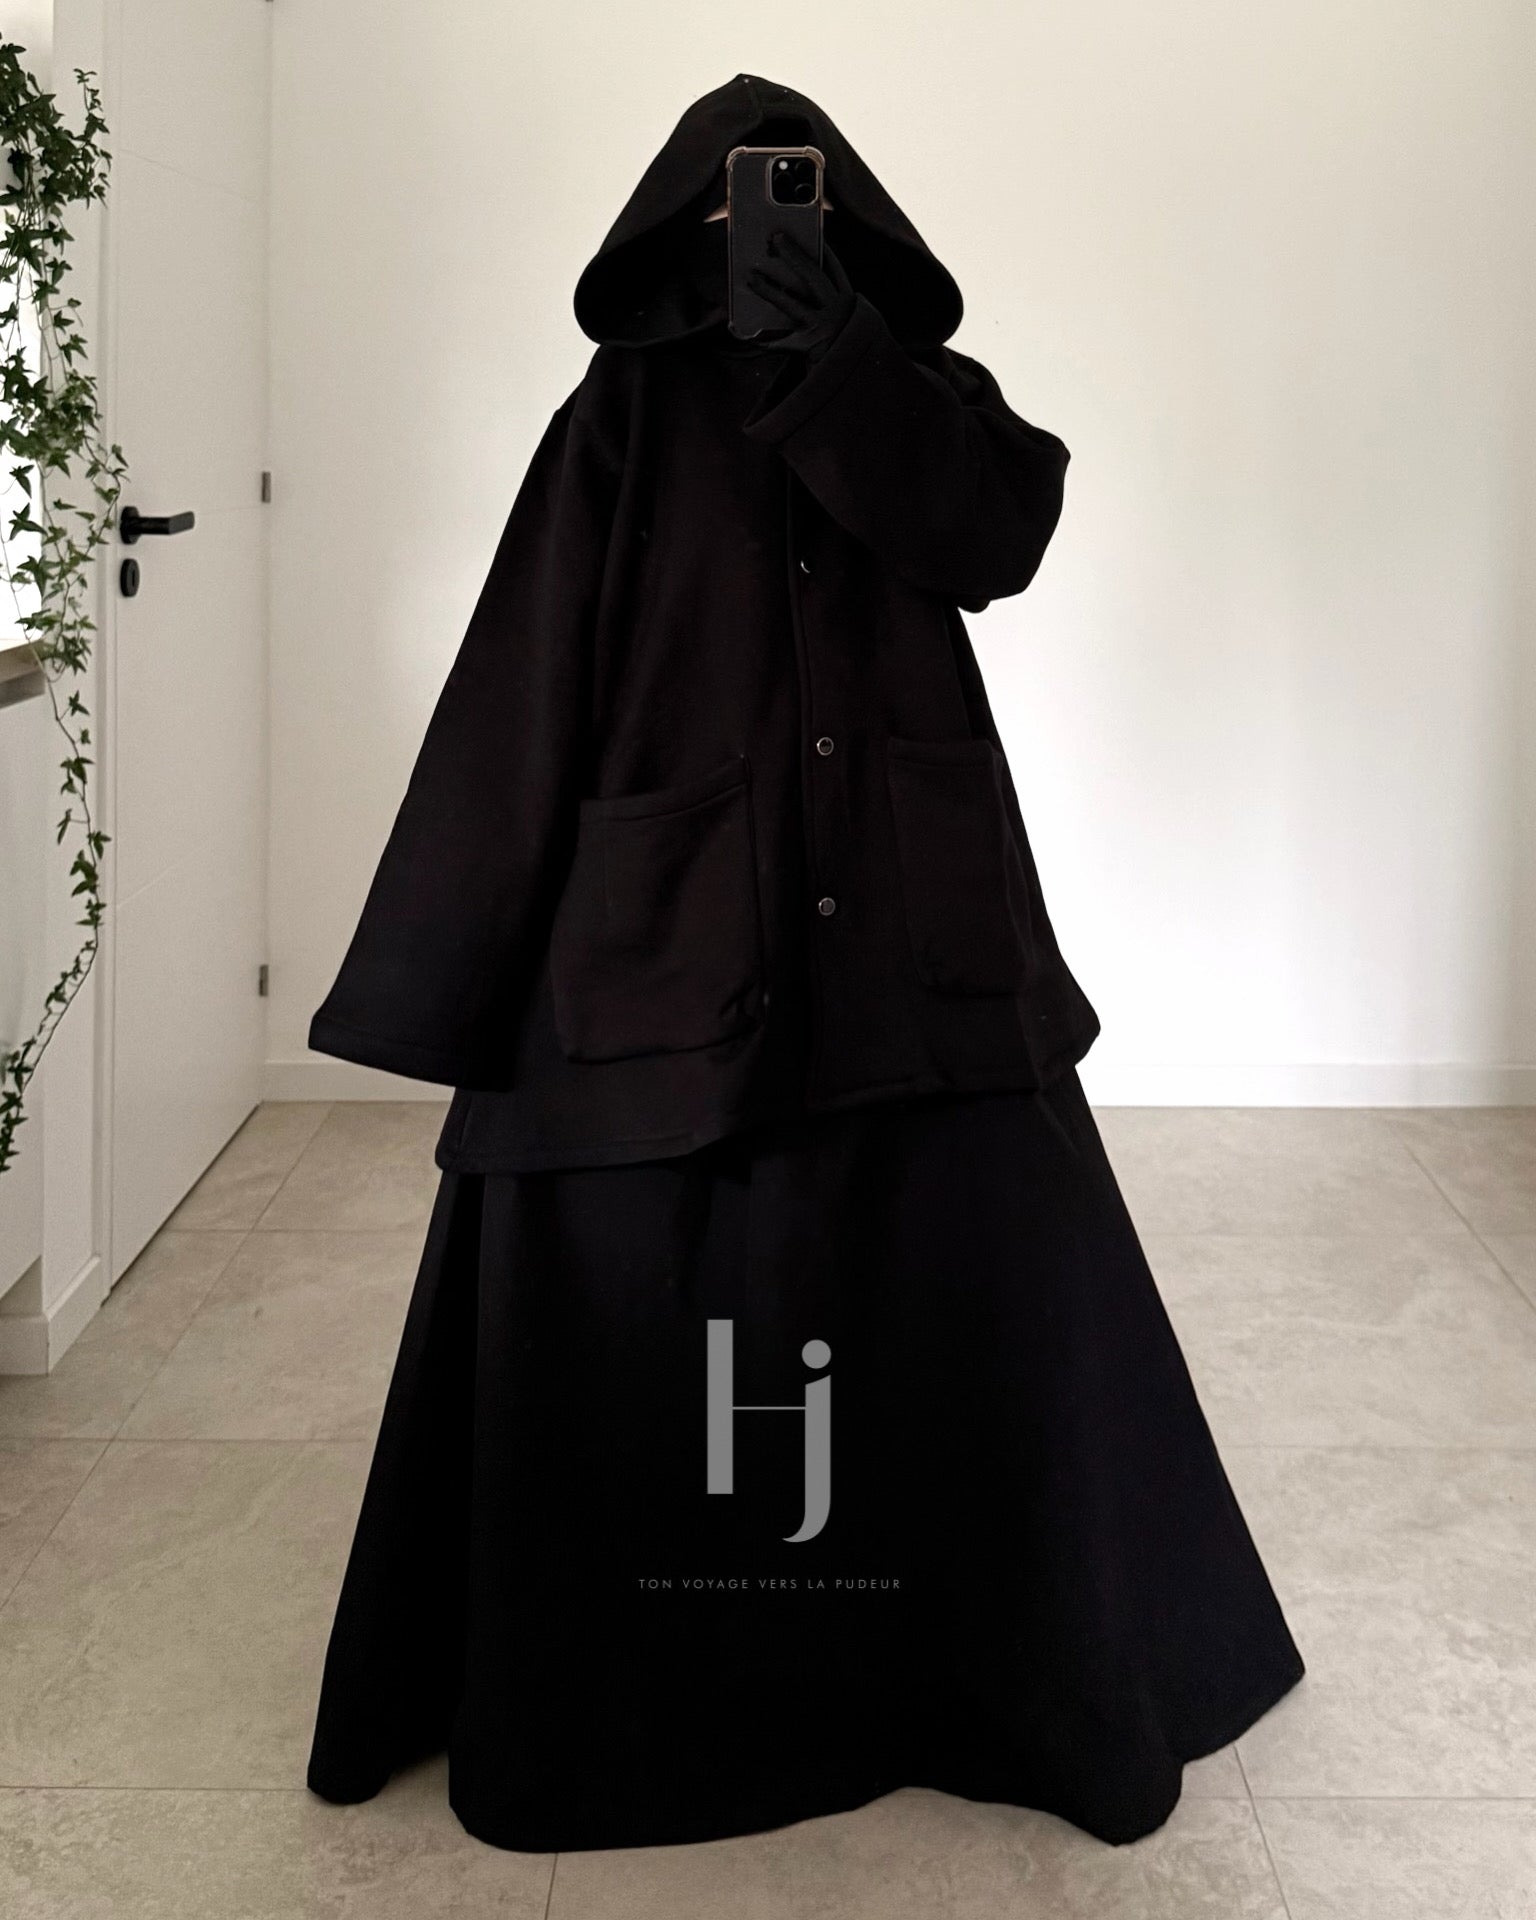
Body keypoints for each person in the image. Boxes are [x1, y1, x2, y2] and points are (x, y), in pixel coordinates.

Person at [303, 72, 1305, 1853]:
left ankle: (985, 1670)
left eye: (788, 198)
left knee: (981, 1276)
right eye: (729, 205)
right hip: (671, 933)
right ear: (676, 225)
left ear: (847, 220)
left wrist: (839, 361)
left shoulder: (914, 393)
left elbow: (998, 538)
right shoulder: (622, 410)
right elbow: (525, 673)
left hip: (922, 934)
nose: (752, 234)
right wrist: (448, 971)